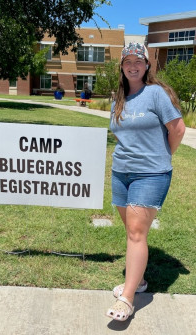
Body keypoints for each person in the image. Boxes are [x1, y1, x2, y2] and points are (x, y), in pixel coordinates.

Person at [106, 42, 185, 322]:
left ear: (147, 65)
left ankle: (128, 299)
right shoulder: (119, 97)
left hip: (151, 174)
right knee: (131, 231)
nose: (133, 65)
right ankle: (138, 282)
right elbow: (121, 134)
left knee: (137, 232)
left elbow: (177, 129)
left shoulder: (156, 94)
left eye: (138, 61)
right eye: (128, 61)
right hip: (121, 173)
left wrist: (162, 157)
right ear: (122, 66)